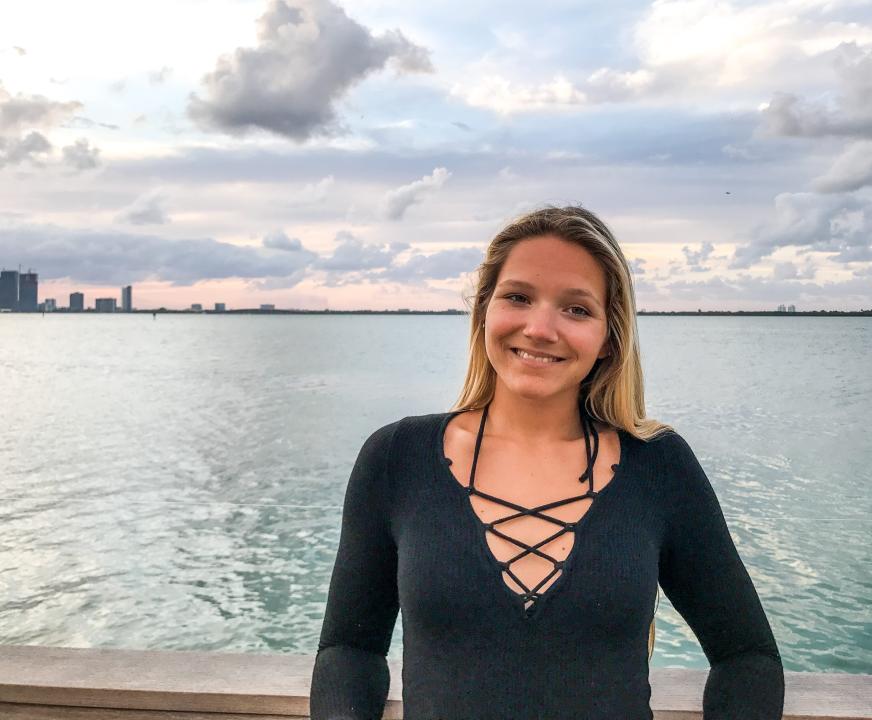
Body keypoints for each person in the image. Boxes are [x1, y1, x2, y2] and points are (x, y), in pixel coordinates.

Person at [310, 206, 785, 719]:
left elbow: (747, 657)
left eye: (577, 309)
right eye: (518, 297)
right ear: (484, 311)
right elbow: (349, 652)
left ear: (609, 338)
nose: (540, 328)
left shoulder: (659, 465)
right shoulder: (396, 458)